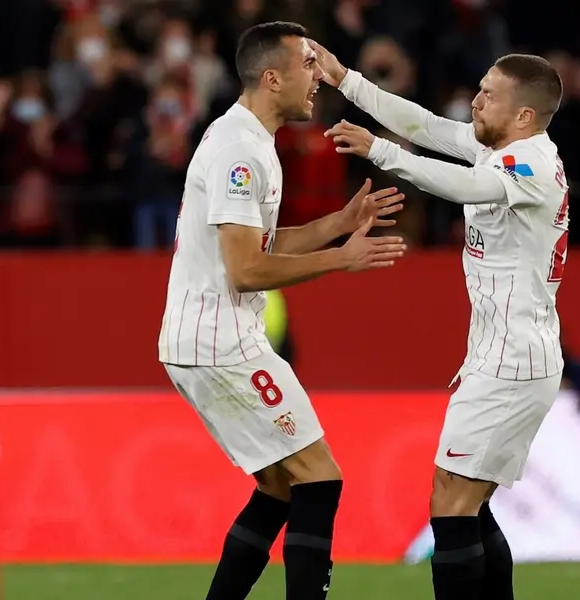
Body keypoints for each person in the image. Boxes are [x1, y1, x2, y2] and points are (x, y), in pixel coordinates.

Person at [157, 21, 407, 600]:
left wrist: (335, 225)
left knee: (278, 486)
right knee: (320, 479)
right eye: (308, 66)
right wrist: (343, 259)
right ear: (273, 78)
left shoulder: (244, 139)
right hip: (221, 342)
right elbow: (247, 270)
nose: (317, 78)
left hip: (207, 339)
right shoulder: (240, 153)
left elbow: (260, 244)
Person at [318, 42, 568, 600]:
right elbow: (428, 125)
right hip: (501, 353)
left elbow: (463, 187)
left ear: (524, 115)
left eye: (488, 95)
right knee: (468, 503)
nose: (475, 101)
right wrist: (347, 81)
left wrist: (381, 151)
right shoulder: (499, 149)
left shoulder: (530, 163)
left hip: (512, 360)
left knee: (450, 501)